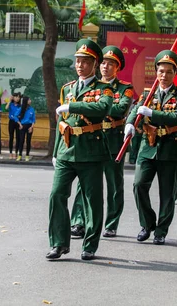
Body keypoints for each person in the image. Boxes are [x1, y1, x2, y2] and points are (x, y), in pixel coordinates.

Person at [46, 39, 113, 261]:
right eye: (78, 61)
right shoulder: (67, 89)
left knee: (92, 201)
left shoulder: (105, 89)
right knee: (57, 195)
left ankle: (90, 245)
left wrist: (73, 106)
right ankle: (58, 243)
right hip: (67, 151)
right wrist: (56, 152)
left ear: (95, 64)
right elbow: (62, 123)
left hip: (91, 152)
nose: (80, 65)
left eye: (86, 62)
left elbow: (101, 109)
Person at [124, 50, 177, 246]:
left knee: (167, 193)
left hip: (169, 147)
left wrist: (152, 112)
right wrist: (129, 123)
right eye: (161, 71)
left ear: (175, 73)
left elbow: (176, 117)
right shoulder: (147, 93)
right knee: (138, 185)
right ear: (156, 72)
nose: (164, 75)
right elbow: (136, 110)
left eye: (169, 72)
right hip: (148, 146)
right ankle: (147, 223)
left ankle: (161, 230)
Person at [69, 45, 134, 239]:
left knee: (114, 184)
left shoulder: (125, 89)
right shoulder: (90, 86)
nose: (106, 67)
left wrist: (95, 107)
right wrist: (95, 107)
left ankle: (111, 223)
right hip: (91, 141)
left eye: (111, 64)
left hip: (113, 141)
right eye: (104, 63)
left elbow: (119, 109)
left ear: (118, 67)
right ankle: (79, 222)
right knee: (84, 184)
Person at [16, 96, 36, 161]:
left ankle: (27, 155)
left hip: (30, 126)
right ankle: (20, 155)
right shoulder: (21, 109)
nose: (30, 101)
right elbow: (15, 116)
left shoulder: (32, 109)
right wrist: (19, 124)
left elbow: (33, 119)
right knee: (21, 140)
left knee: (28, 141)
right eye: (29, 100)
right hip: (22, 126)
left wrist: (31, 127)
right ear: (26, 101)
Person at [6, 93, 22, 159]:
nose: (17, 98)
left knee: (18, 138)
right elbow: (6, 108)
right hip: (11, 122)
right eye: (16, 97)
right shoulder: (11, 104)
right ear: (13, 97)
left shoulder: (20, 106)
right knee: (11, 137)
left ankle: (16, 153)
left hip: (18, 122)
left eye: (18, 97)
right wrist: (9, 100)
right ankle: (10, 153)